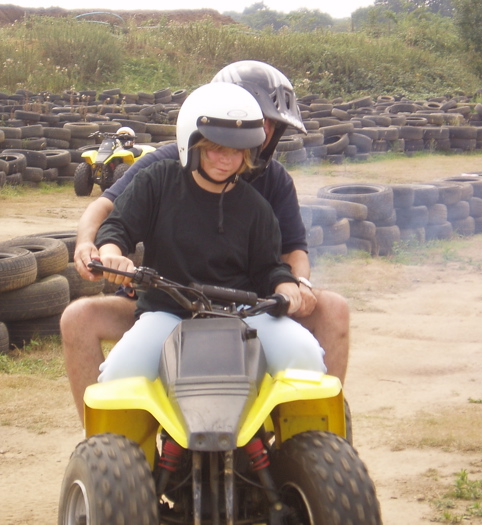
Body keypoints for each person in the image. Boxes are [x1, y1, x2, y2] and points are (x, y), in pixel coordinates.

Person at [61, 60, 350, 422]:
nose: (228, 150)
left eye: (258, 124)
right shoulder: (162, 172)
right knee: (116, 368)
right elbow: (110, 217)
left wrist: (292, 284)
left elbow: (282, 256)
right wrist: (99, 249)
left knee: (308, 353)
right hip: (167, 298)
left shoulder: (263, 196)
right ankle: (104, 450)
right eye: (217, 141)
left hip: (247, 304)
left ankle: (316, 437)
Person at [93, 82, 325, 383]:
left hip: (245, 311)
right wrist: (112, 253)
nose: (226, 159)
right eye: (216, 148)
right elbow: (117, 227)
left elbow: (269, 267)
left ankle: (303, 432)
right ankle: (121, 433)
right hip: (168, 310)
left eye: (237, 151)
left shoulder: (256, 207)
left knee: (306, 356)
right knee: (120, 372)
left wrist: (286, 285)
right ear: (192, 143)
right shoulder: (158, 182)